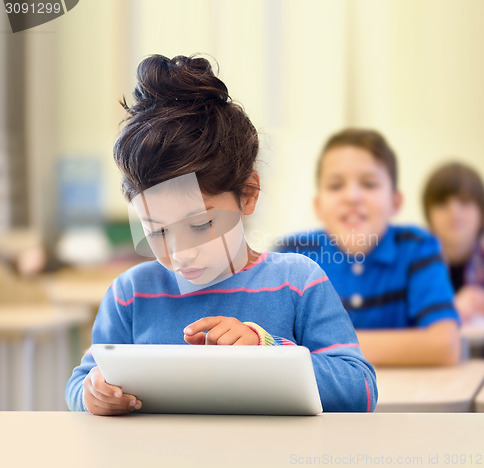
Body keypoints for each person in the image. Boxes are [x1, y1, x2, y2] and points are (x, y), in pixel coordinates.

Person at [65, 55, 377, 415]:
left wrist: (267, 351)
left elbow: (360, 389)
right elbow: (83, 381)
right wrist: (92, 396)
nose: (181, 253)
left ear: (247, 194)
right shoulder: (131, 295)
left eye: (200, 225)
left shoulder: (297, 283)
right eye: (157, 231)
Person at [276, 128, 461, 366]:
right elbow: (269, 348)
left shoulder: (417, 248)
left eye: (369, 184)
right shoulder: (292, 254)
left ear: (395, 202)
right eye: (335, 186)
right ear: (318, 205)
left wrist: (318, 347)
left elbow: (444, 346)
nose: (352, 196)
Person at [423, 162, 484, 323]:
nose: (454, 212)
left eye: (465, 202)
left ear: (482, 210)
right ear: (428, 213)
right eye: (442, 203)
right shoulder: (418, 255)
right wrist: (450, 309)